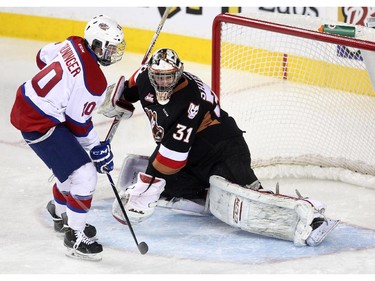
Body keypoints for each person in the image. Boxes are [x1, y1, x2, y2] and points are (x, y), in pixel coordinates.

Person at [102, 48, 339, 247]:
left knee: (253, 197)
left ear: (179, 74)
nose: (163, 82)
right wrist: (118, 99)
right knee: (173, 185)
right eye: (158, 77)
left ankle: (312, 216)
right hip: (192, 153)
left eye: (168, 77)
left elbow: (172, 157)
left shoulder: (190, 100)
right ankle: (206, 192)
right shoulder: (146, 76)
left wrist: (145, 191)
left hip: (222, 149)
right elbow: (129, 88)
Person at [10, 15, 126, 260]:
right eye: (111, 48)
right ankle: (75, 236)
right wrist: (97, 150)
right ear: (97, 44)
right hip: (39, 123)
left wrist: (63, 89)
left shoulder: (71, 43)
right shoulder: (93, 80)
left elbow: (41, 56)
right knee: (85, 174)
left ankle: (58, 211)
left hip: (30, 105)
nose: (114, 53)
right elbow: (78, 123)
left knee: (72, 167)